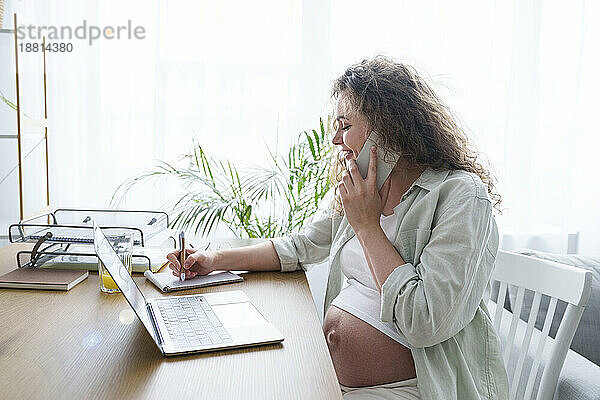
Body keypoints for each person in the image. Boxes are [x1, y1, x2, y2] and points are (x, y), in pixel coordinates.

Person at [167, 55, 510, 400]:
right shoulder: (365, 187)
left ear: (388, 126)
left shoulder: (460, 196)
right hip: (335, 380)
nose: (335, 139)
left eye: (345, 126)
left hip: (414, 389)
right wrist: (213, 259)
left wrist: (368, 227)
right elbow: (300, 246)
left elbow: (424, 322)